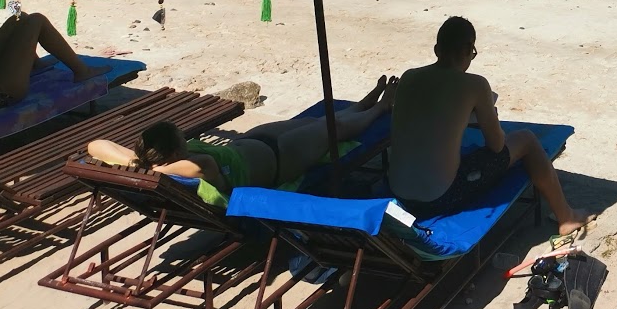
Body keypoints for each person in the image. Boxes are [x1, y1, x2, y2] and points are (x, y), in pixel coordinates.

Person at [389, 16, 587, 232]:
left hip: (398, 193)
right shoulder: (475, 84)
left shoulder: (408, 78)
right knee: (527, 139)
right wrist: (487, 113)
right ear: (468, 50)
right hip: (438, 199)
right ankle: (566, 217)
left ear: (437, 49)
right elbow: (497, 146)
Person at [86, 77, 395, 203]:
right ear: (175, 149)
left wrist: (136, 165)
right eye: (182, 137)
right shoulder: (191, 166)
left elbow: (95, 144)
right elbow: (204, 163)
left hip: (256, 144)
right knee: (333, 129)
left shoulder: (154, 164)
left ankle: (360, 106)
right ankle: (380, 107)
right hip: (279, 160)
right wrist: (154, 172)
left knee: (316, 122)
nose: (185, 136)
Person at [0, 12, 110, 132]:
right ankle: (82, 71)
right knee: (36, 20)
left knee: (18, 18)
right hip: (2, 90)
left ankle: (35, 64)